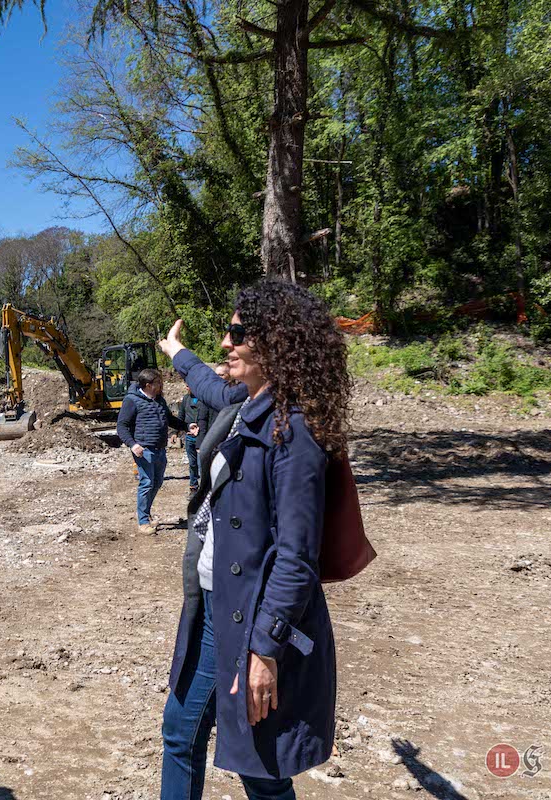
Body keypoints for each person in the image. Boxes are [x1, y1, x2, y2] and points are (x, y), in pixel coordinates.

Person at [155, 279, 351, 800]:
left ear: (276, 343)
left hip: (253, 617)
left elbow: (297, 558)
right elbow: (209, 385)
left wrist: (265, 650)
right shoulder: (245, 400)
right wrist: (178, 353)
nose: (226, 342)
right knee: (181, 733)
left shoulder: (295, 432)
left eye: (237, 332)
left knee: (261, 769)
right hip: (214, 603)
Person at [116, 368, 187, 534]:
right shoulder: (132, 400)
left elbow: (169, 419)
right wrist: (133, 444)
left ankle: (146, 514)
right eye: (158, 382)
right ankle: (142, 522)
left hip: (160, 449)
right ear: (148, 385)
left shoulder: (159, 400)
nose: (161, 385)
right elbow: (122, 426)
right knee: (146, 483)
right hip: (144, 449)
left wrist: (186, 427)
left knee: (157, 482)